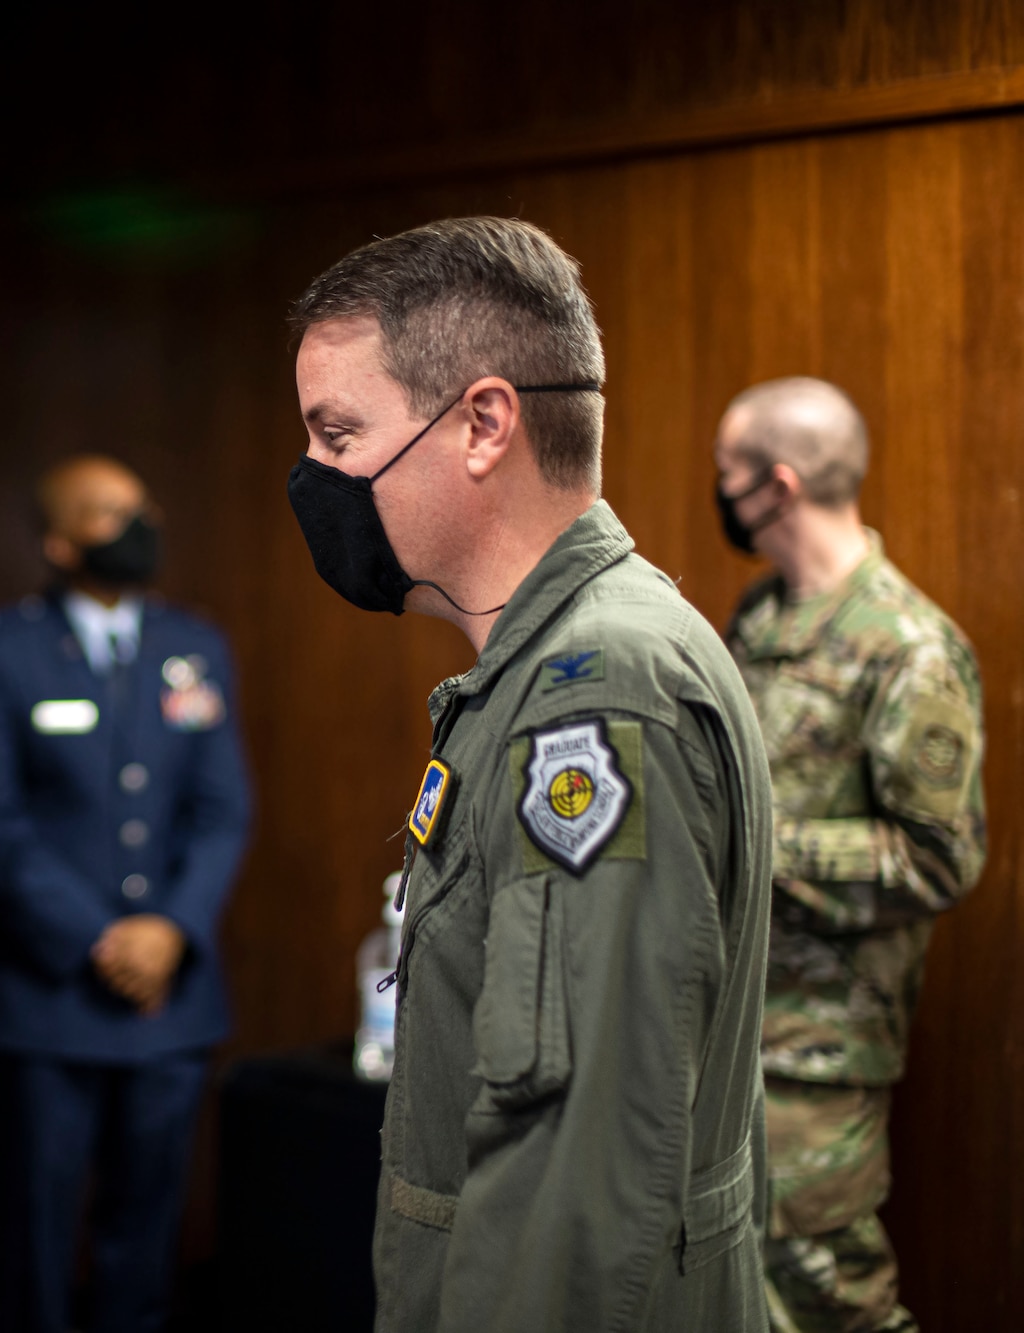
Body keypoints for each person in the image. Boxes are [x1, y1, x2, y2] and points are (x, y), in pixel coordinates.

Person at [283, 217, 774, 1331]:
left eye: (337, 432)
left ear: (481, 424)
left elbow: (577, 1158)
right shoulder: (549, 666)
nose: (311, 477)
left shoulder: (592, 694)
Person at [0, 456, 252, 1333]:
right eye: (107, 512)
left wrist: (172, 929)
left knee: (146, 1242)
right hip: (49, 1003)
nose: (135, 523)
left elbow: (223, 810)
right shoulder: (1, 650)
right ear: (57, 541)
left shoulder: (195, 648)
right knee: (38, 1250)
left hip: (172, 1003)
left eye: (141, 506)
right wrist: (101, 939)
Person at [713, 377, 985, 1333]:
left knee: (829, 1302)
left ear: (777, 486)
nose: (720, 489)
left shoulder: (906, 646)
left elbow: (938, 858)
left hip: (821, 1053)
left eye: (727, 472)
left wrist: (759, 841)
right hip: (730, 1029)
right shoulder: (759, 618)